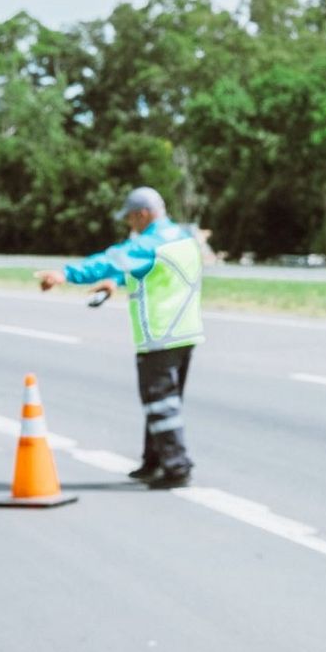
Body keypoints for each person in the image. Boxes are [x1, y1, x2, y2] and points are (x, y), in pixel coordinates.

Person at [36, 187, 203, 489]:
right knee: (164, 402)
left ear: (142, 214)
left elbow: (115, 259)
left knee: (161, 405)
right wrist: (114, 283)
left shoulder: (151, 243)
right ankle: (154, 462)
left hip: (160, 334)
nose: (130, 226)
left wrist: (66, 274)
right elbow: (150, 272)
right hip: (185, 332)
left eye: (130, 219)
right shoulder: (180, 237)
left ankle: (177, 467)